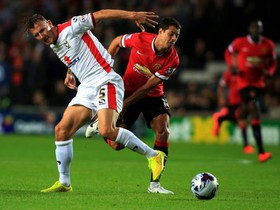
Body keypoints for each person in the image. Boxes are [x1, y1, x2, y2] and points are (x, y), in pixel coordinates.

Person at [25, 9, 166, 193]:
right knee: (61, 130)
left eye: (42, 30)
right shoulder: (54, 43)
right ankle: (64, 182)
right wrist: (70, 71)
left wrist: (132, 16)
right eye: (37, 35)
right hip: (87, 87)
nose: (42, 35)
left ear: (49, 23)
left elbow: (100, 14)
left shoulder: (72, 26)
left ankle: (154, 156)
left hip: (105, 80)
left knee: (106, 130)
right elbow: (77, 53)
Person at [85, 17, 181, 194]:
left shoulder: (172, 59)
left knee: (163, 130)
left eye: (176, 36)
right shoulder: (140, 39)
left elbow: (146, 88)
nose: (173, 39)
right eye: (171, 34)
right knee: (116, 146)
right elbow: (116, 42)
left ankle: (155, 184)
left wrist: (122, 105)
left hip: (152, 95)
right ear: (160, 32)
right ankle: (101, 126)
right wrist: (103, 68)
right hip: (126, 89)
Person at [227, 19, 277, 162]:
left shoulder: (268, 45)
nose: (256, 30)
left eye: (259, 28)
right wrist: (232, 66)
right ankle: (261, 152)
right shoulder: (240, 42)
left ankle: (238, 117)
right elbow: (228, 52)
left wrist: (271, 71)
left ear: (261, 30)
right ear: (250, 29)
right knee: (254, 109)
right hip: (243, 82)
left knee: (245, 110)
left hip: (259, 83)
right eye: (254, 28)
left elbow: (273, 61)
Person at [212, 49, 254, 154]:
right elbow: (221, 86)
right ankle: (246, 146)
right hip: (233, 102)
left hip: (243, 102)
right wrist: (221, 98)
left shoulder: (245, 73)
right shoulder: (228, 74)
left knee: (241, 121)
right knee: (241, 121)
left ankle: (219, 118)